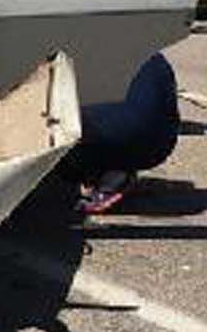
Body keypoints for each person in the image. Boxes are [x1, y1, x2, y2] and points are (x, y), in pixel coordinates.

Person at [60, 53, 181, 213]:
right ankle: (113, 176)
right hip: (154, 146)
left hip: (95, 139)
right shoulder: (153, 53)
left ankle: (92, 170)